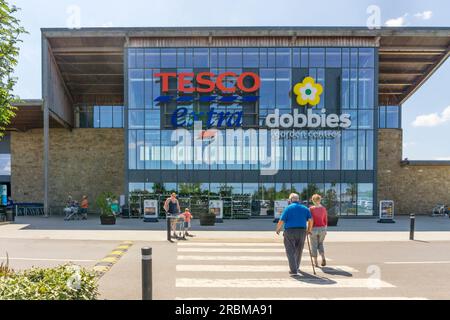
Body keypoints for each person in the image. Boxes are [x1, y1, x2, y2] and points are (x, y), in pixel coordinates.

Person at [276, 193, 313, 276]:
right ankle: (297, 266)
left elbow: (281, 220)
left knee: (290, 250)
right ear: (298, 200)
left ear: (290, 200)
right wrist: (309, 230)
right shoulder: (305, 208)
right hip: (302, 231)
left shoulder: (288, 208)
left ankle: (293, 270)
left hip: (290, 231)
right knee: (299, 250)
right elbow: (311, 220)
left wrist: (278, 228)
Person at [309, 194, 328, 267]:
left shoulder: (311, 209)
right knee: (320, 243)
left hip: (314, 228)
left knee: (313, 244)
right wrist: (325, 229)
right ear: (320, 200)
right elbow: (325, 220)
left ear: (313, 200)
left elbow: (310, 220)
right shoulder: (323, 208)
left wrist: (308, 229)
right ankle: (323, 257)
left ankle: (315, 262)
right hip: (322, 228)